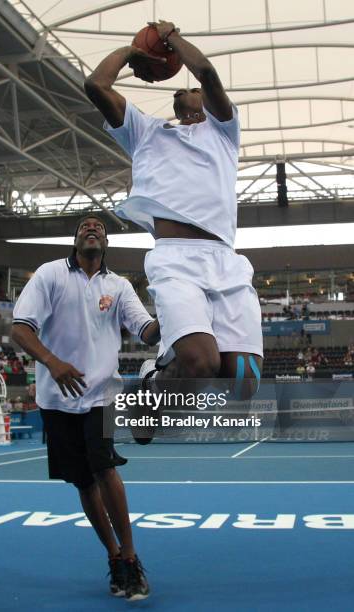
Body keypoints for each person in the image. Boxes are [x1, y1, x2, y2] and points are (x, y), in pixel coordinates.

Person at [84, 20, 263, 406]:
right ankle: (153, 382)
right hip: (176, 259)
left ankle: (159, 379)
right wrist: (134, 53)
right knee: (201, 365)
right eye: (185, 87)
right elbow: (96, 85)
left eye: (195, 89)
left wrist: (171, 38)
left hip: (224, 259)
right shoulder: (145, 131)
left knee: (244, 385)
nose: (189, 89)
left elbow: (208, 73)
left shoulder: (223, 131)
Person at [11, 215, 160, 601]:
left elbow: (147, 332)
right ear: (76, 240)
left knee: (104, 466)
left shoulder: (119, 286)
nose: (91, 228)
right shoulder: (49, 275)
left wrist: (180, 311)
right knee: (83, 481)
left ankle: (130, 557)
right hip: (56, 398)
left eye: (98, 227)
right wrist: (53, 362)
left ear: (106, 242)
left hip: (100, 395)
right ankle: (113, 556)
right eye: (84, 226)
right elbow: (20, 328)